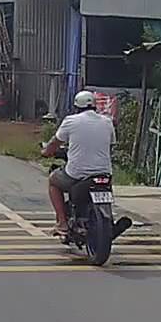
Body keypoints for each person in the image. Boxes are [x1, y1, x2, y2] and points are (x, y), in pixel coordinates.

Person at [41, 90, 114, 235]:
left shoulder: (71, 121)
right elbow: (110, 145)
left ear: (76, 107)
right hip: (104, 173)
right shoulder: (107, 122)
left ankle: (62, 223)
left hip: (77, 175)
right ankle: (108, 220)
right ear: (94, 106)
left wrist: (46, 152)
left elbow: (54, 143)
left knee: (53, 181)